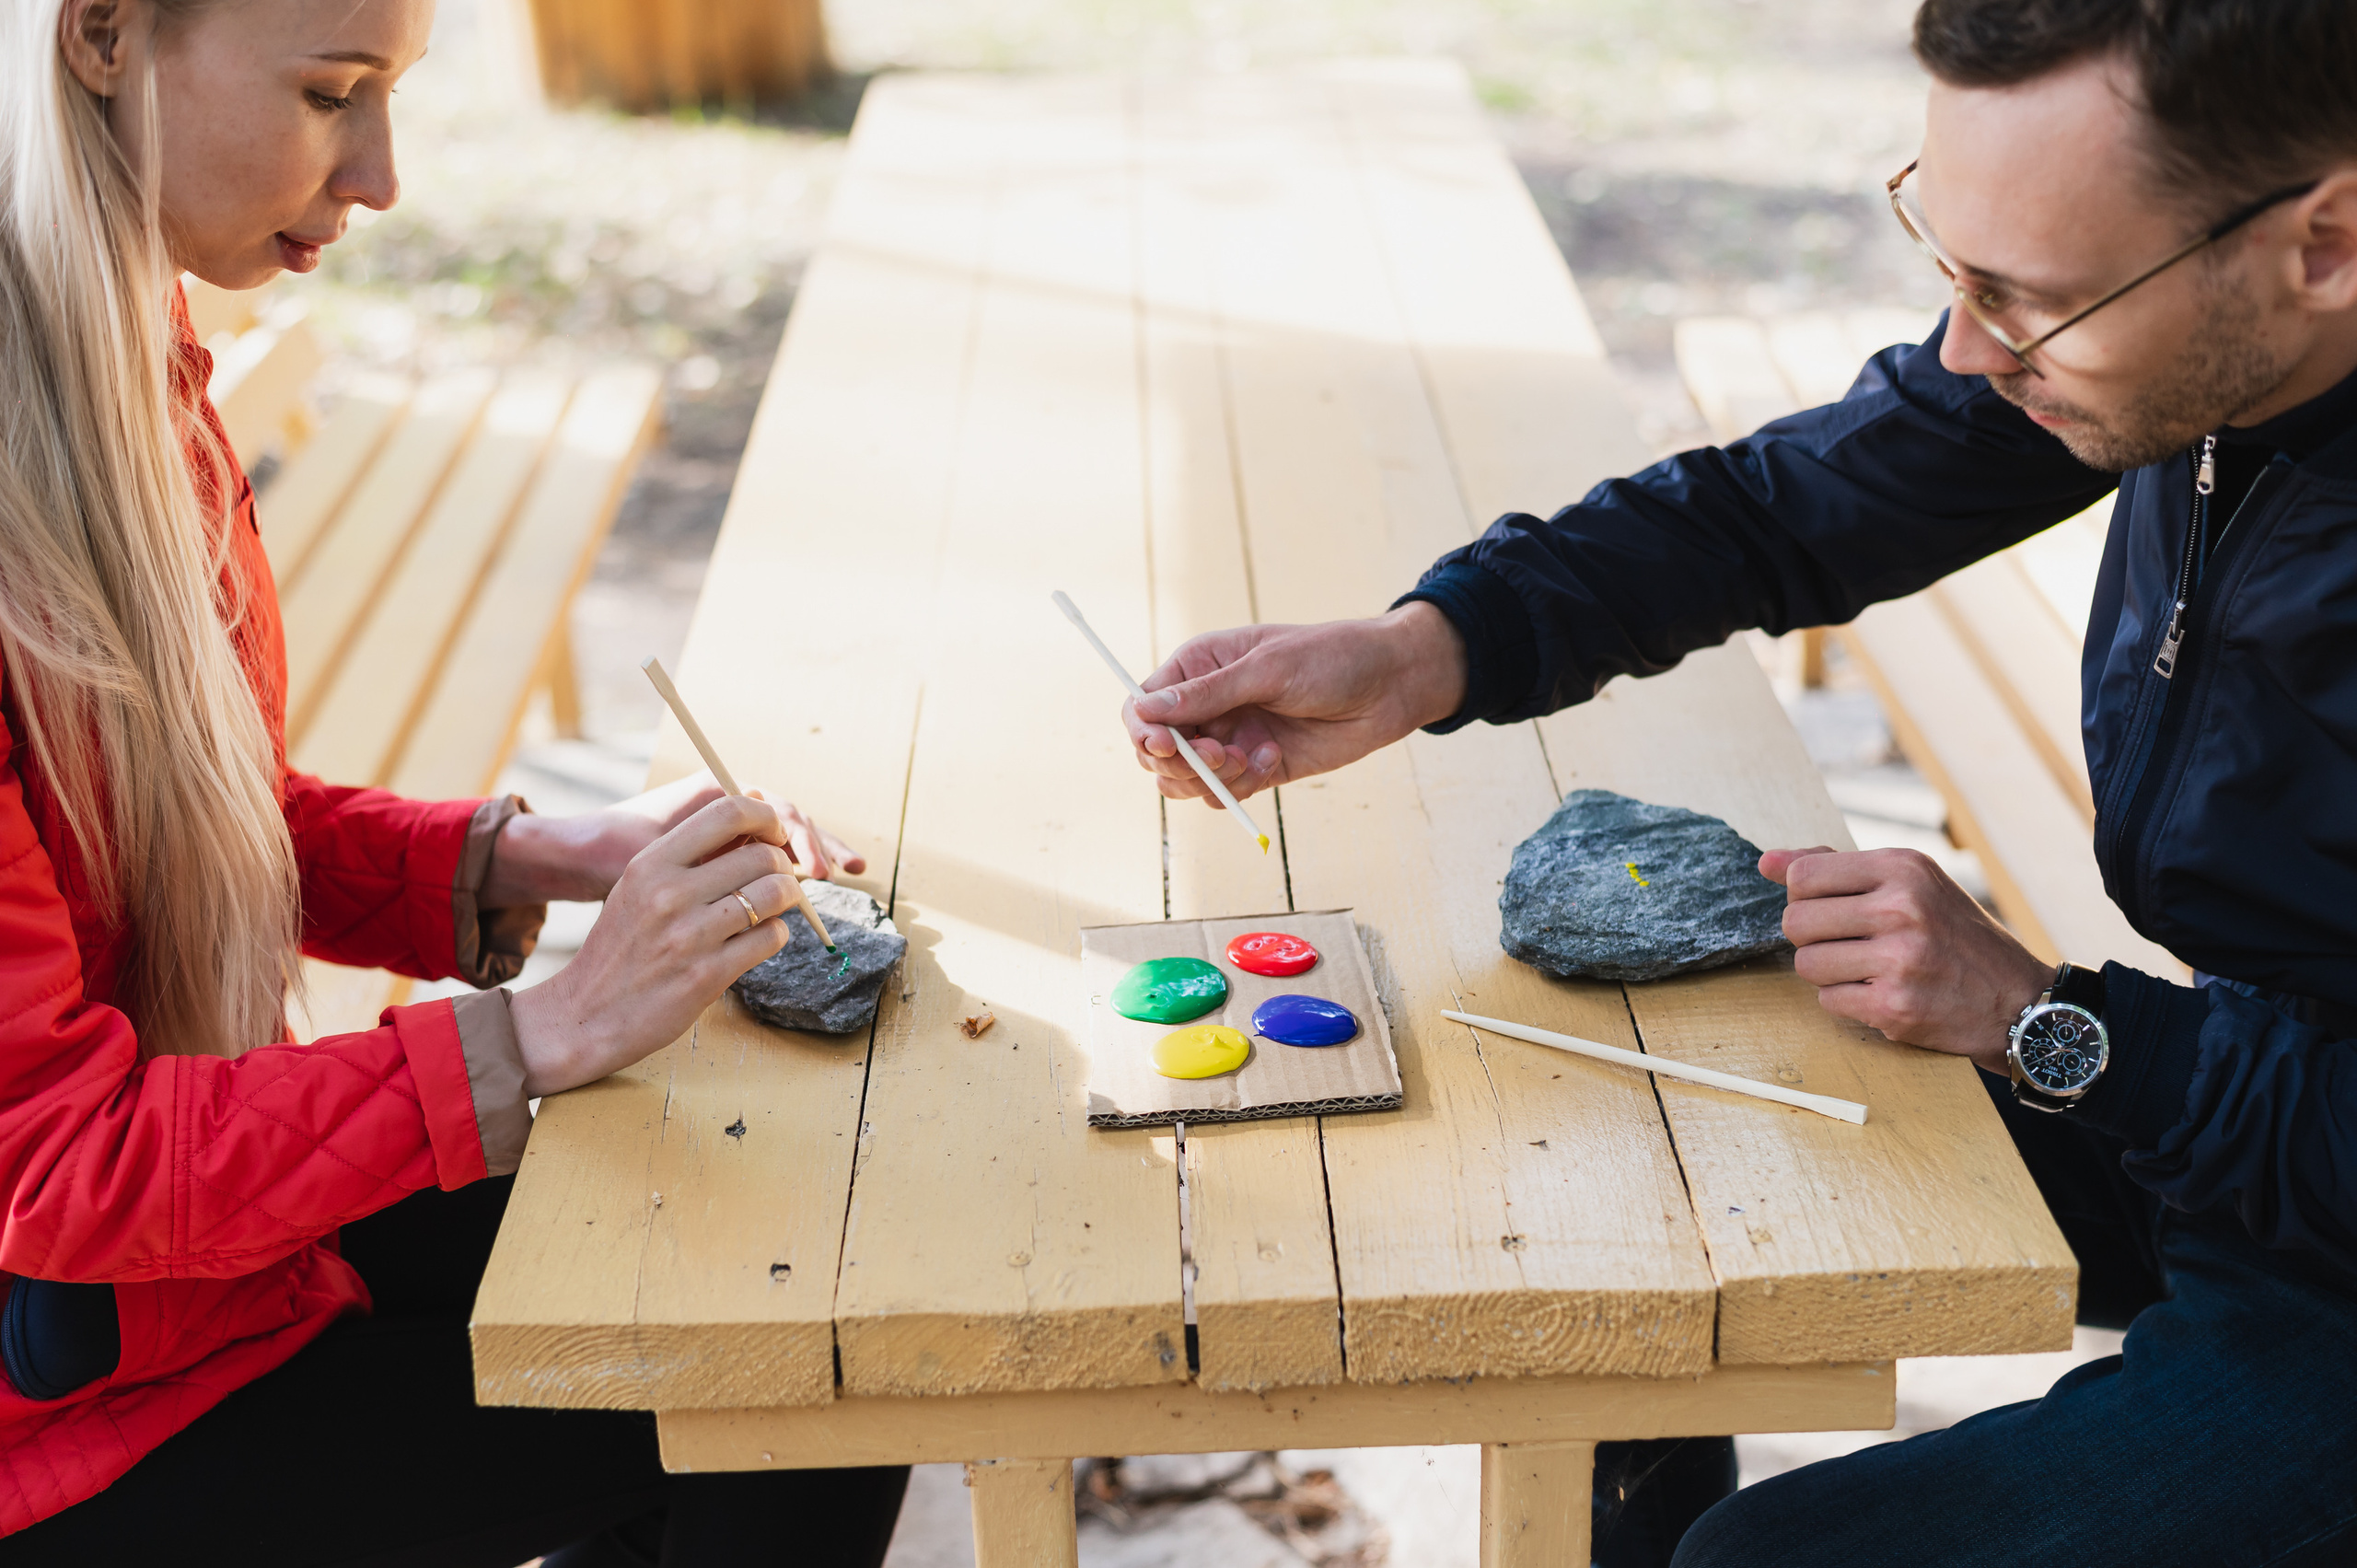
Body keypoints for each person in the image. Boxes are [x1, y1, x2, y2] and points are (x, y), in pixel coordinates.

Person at [1121, 1, 2357, 1564]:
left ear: (2324, 243)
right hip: (2256, 1093)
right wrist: (1430, 648)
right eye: (1949, 261)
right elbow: (1794, 507)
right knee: (1618, 1172)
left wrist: (2055, 1026)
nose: (1968, 349)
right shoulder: (2193, 341)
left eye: (2029, 301)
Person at [0, 0, 906, 1561]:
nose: (381, 175)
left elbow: (169, 820)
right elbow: (60, 1165)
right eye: (329, 93)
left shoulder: (120, 373)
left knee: (795, 1283)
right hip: (66, 1415)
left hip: (194, 1275)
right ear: (100, 35)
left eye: (395, 95)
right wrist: (546, 1030)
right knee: (794, 1394)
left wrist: (547, 856)